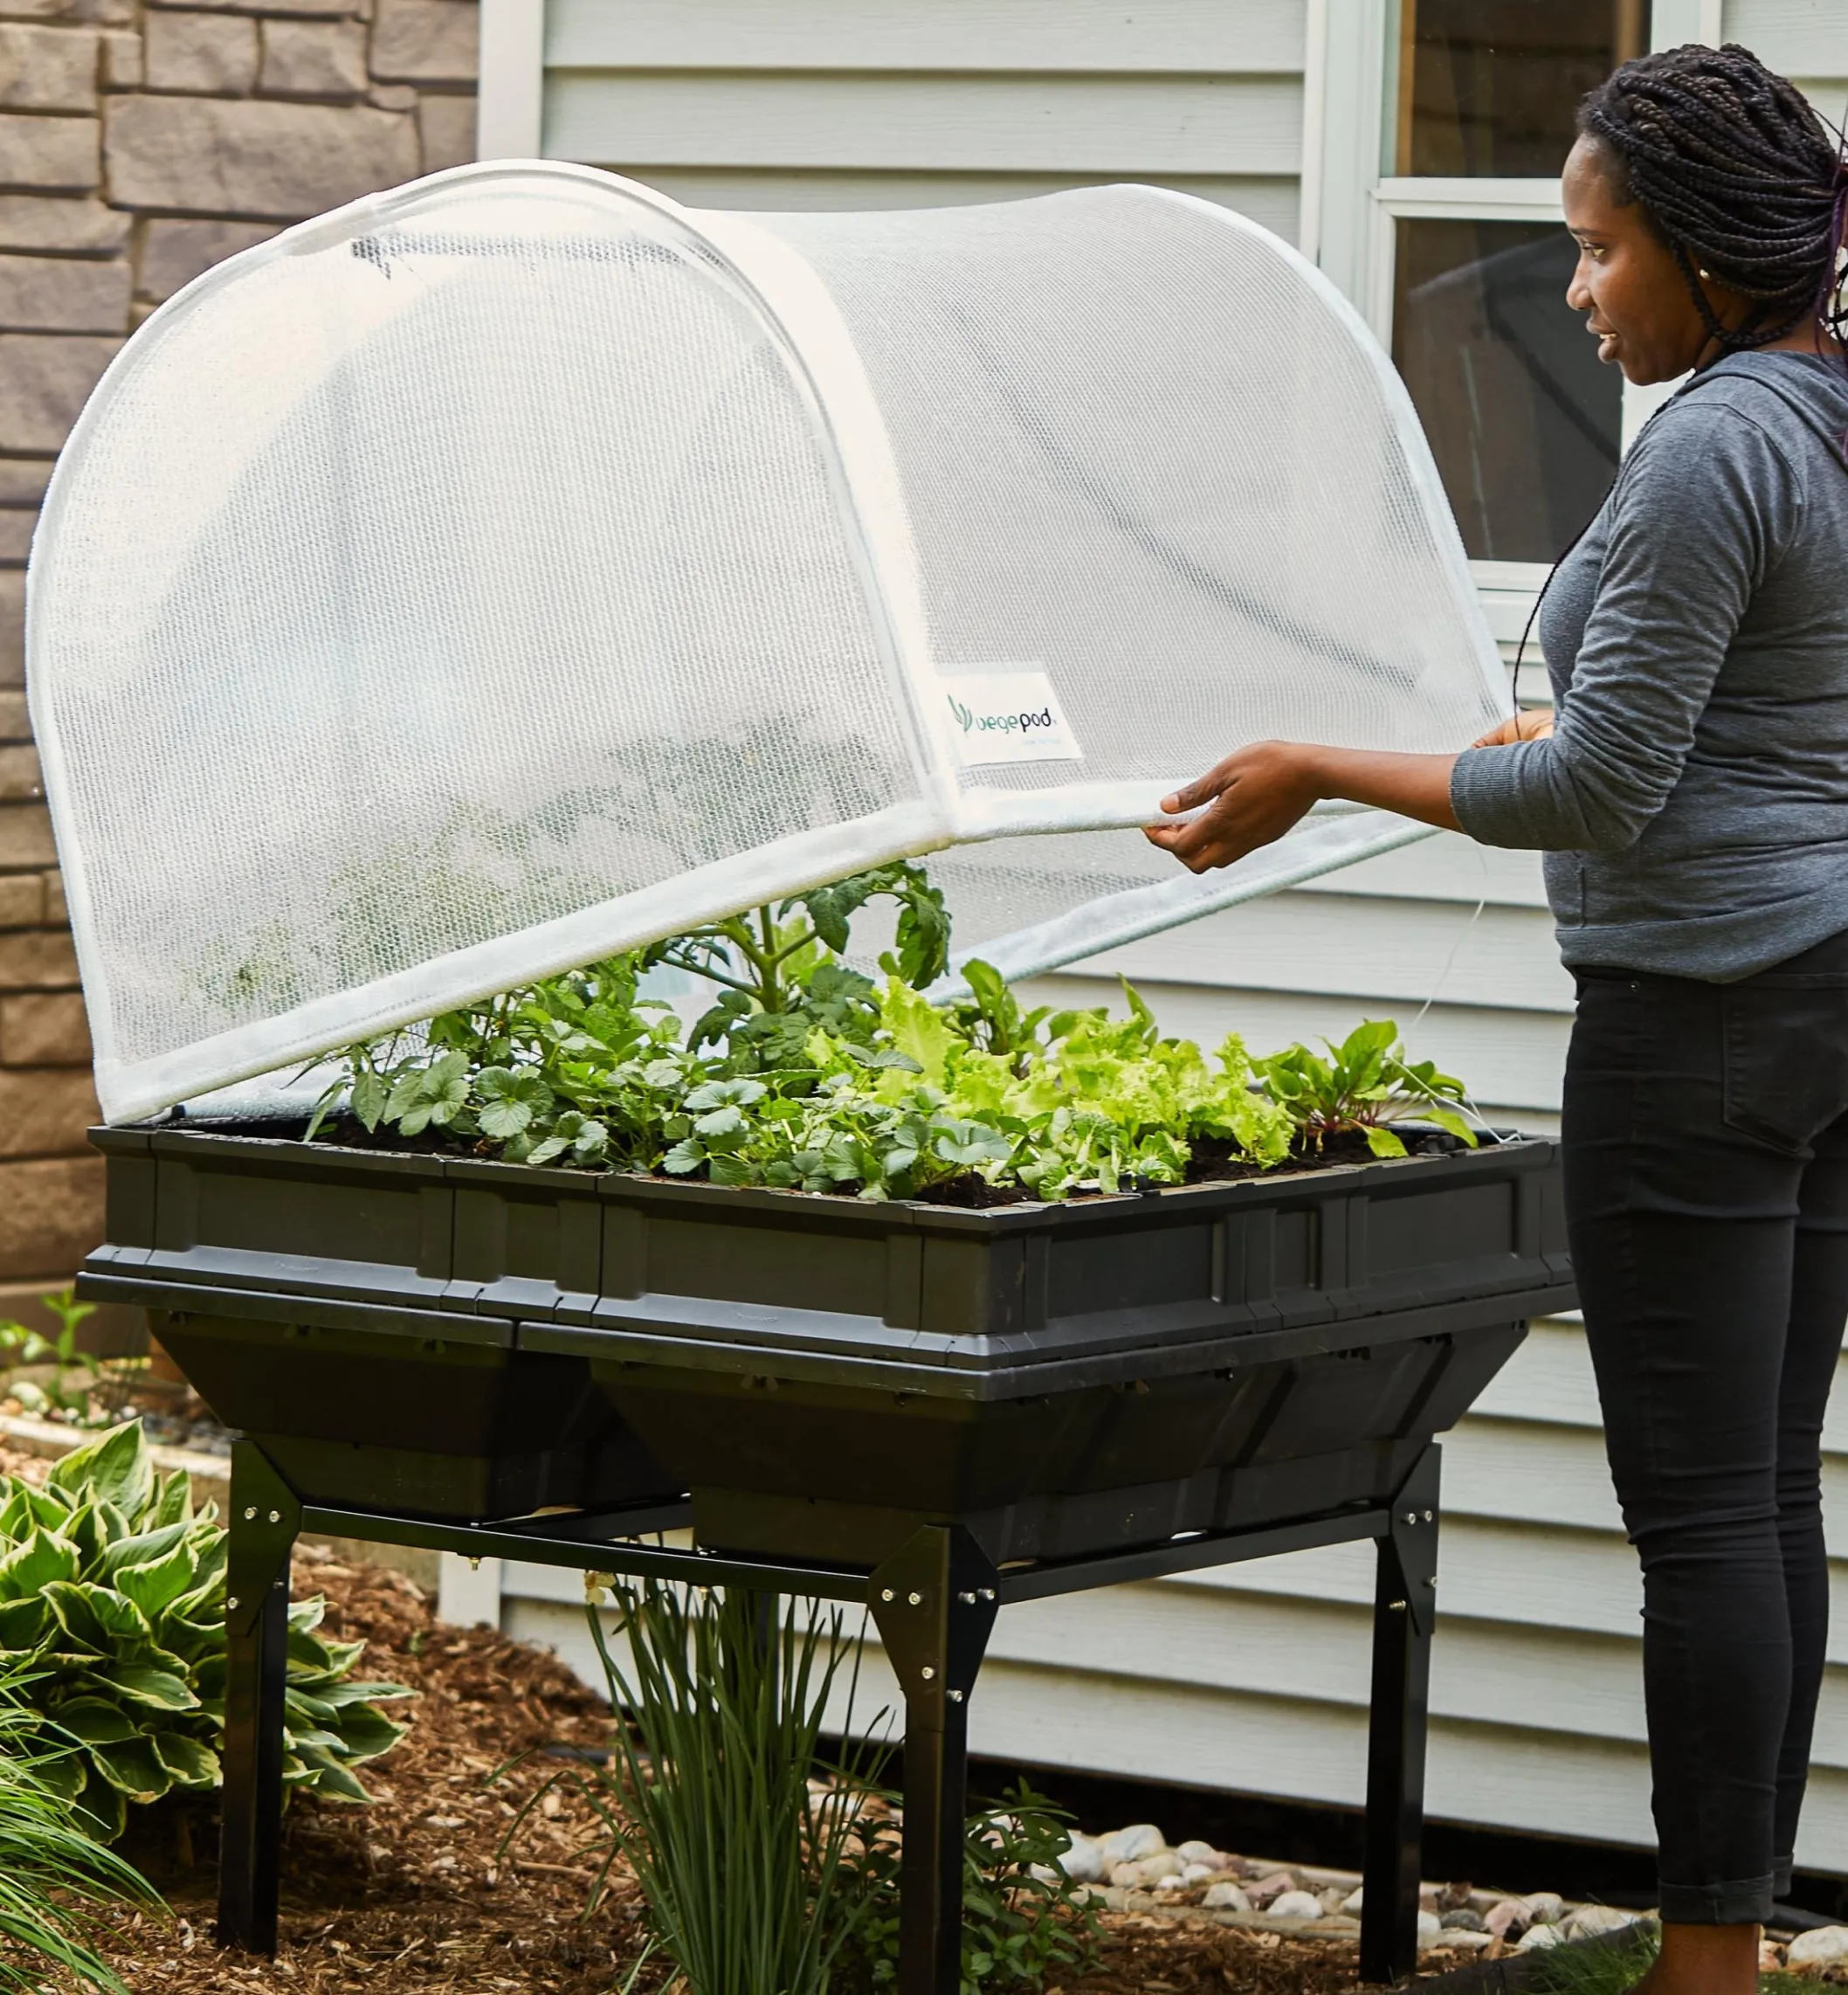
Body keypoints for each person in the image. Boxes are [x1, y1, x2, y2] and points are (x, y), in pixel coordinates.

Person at [1144, 43, 1848, 1995]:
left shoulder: (1710, 443)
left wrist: (1312, 761)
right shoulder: (1824, 414)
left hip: (1697, 1026)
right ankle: (1734, 1938)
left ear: (1701, 259)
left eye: (1596, 248)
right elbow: (1767, 721)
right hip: (1820, 1002)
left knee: (1698, 1515)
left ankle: (1700, 1964)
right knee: (1759, 1498)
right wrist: (1557, 737)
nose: (1570, 288)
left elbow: (1604, 789)